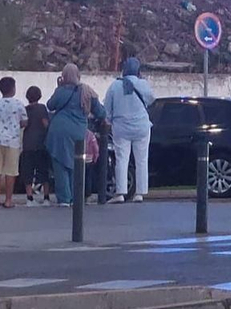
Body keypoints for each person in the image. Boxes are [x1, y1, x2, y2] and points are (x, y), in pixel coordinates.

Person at [46, 64, 107, 207]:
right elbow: (100, 111)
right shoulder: (87, 91)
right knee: (76, 164)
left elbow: (50, 105)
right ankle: (75, 197)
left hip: (58, 130)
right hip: (79, 131)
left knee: (60, 164)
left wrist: (58, 87)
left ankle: (64, 199)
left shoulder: (61, 91)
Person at [103, 57, 155, 203]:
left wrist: (109, 120)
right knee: (142, 160)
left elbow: (107, 108)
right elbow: (151, 99)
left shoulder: (114, 86)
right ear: (138, 71)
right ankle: (140, 193)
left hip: (121, 127)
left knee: (121, 159)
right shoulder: (143, 84)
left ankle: (120, 193)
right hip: (141, 126)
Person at [0, 76, 27, 209]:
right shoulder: (19, 104)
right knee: (11, 171)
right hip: (12, 141)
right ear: (13, 89)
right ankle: (8, 200)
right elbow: (24, 122)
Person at [19, 85, 53, 206]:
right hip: (40, 144)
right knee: (43, 171)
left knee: (28, 171)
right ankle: (46, 198)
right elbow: (45, 124)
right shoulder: (42, 108)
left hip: (27, 144)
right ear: (40, 96)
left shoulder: (25, 109)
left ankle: (29, 198)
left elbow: (22, 124)